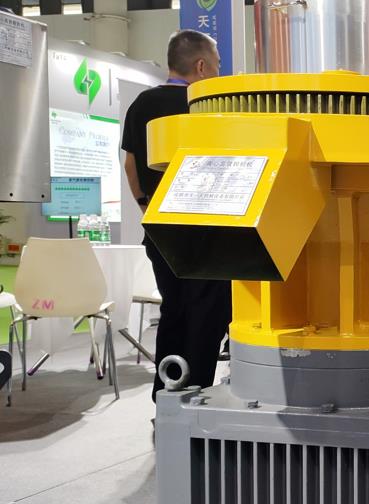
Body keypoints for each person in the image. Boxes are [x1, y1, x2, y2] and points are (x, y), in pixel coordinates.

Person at [121, 30, 231, 401]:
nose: (217, 72)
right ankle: (195, 395)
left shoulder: (141, 103)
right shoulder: (206, 105)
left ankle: (165, 393)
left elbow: (130, 164)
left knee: (174, 310)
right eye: (216, 65)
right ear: (201, 66)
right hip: (206, 229)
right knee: (208, 313)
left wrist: (144, 205)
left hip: (160, 228)